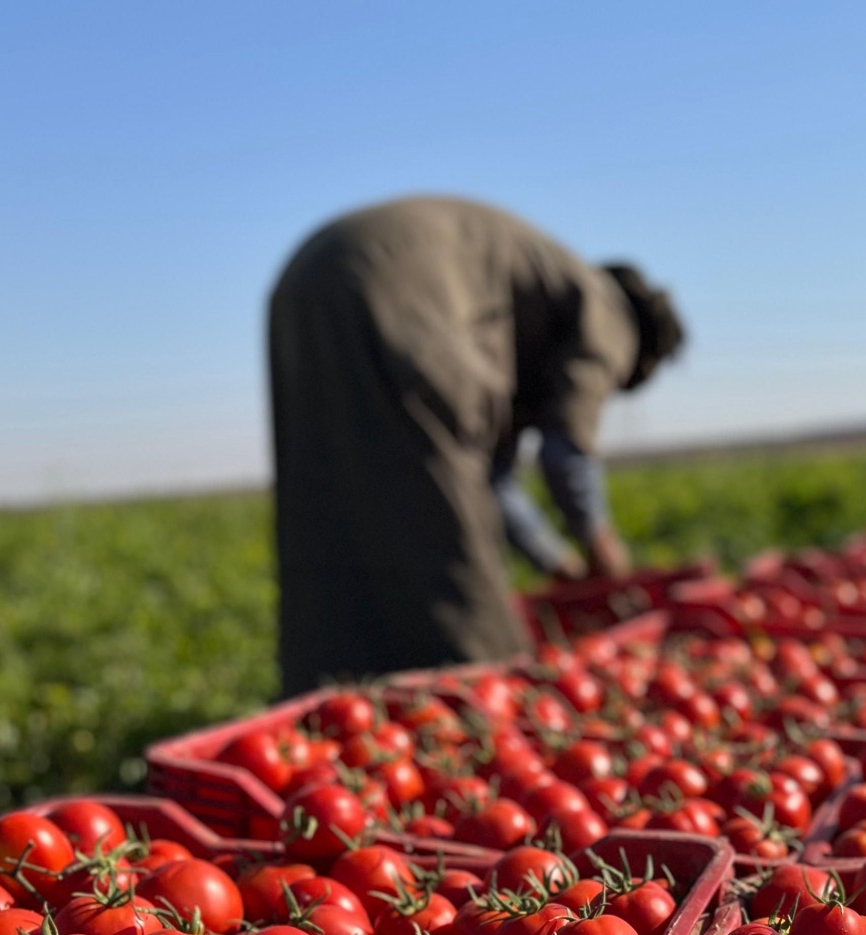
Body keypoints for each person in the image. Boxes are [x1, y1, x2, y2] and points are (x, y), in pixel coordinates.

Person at [267, 196, 686, 694]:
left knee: (332, 500)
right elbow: (566, 447)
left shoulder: (531, 297)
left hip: (307, 277)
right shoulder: (609, 316)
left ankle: (333, 693)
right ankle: (464, 700)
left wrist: (555, 561)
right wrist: (600, 546)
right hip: (401, 295)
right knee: (449, 538)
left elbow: (491, 475)